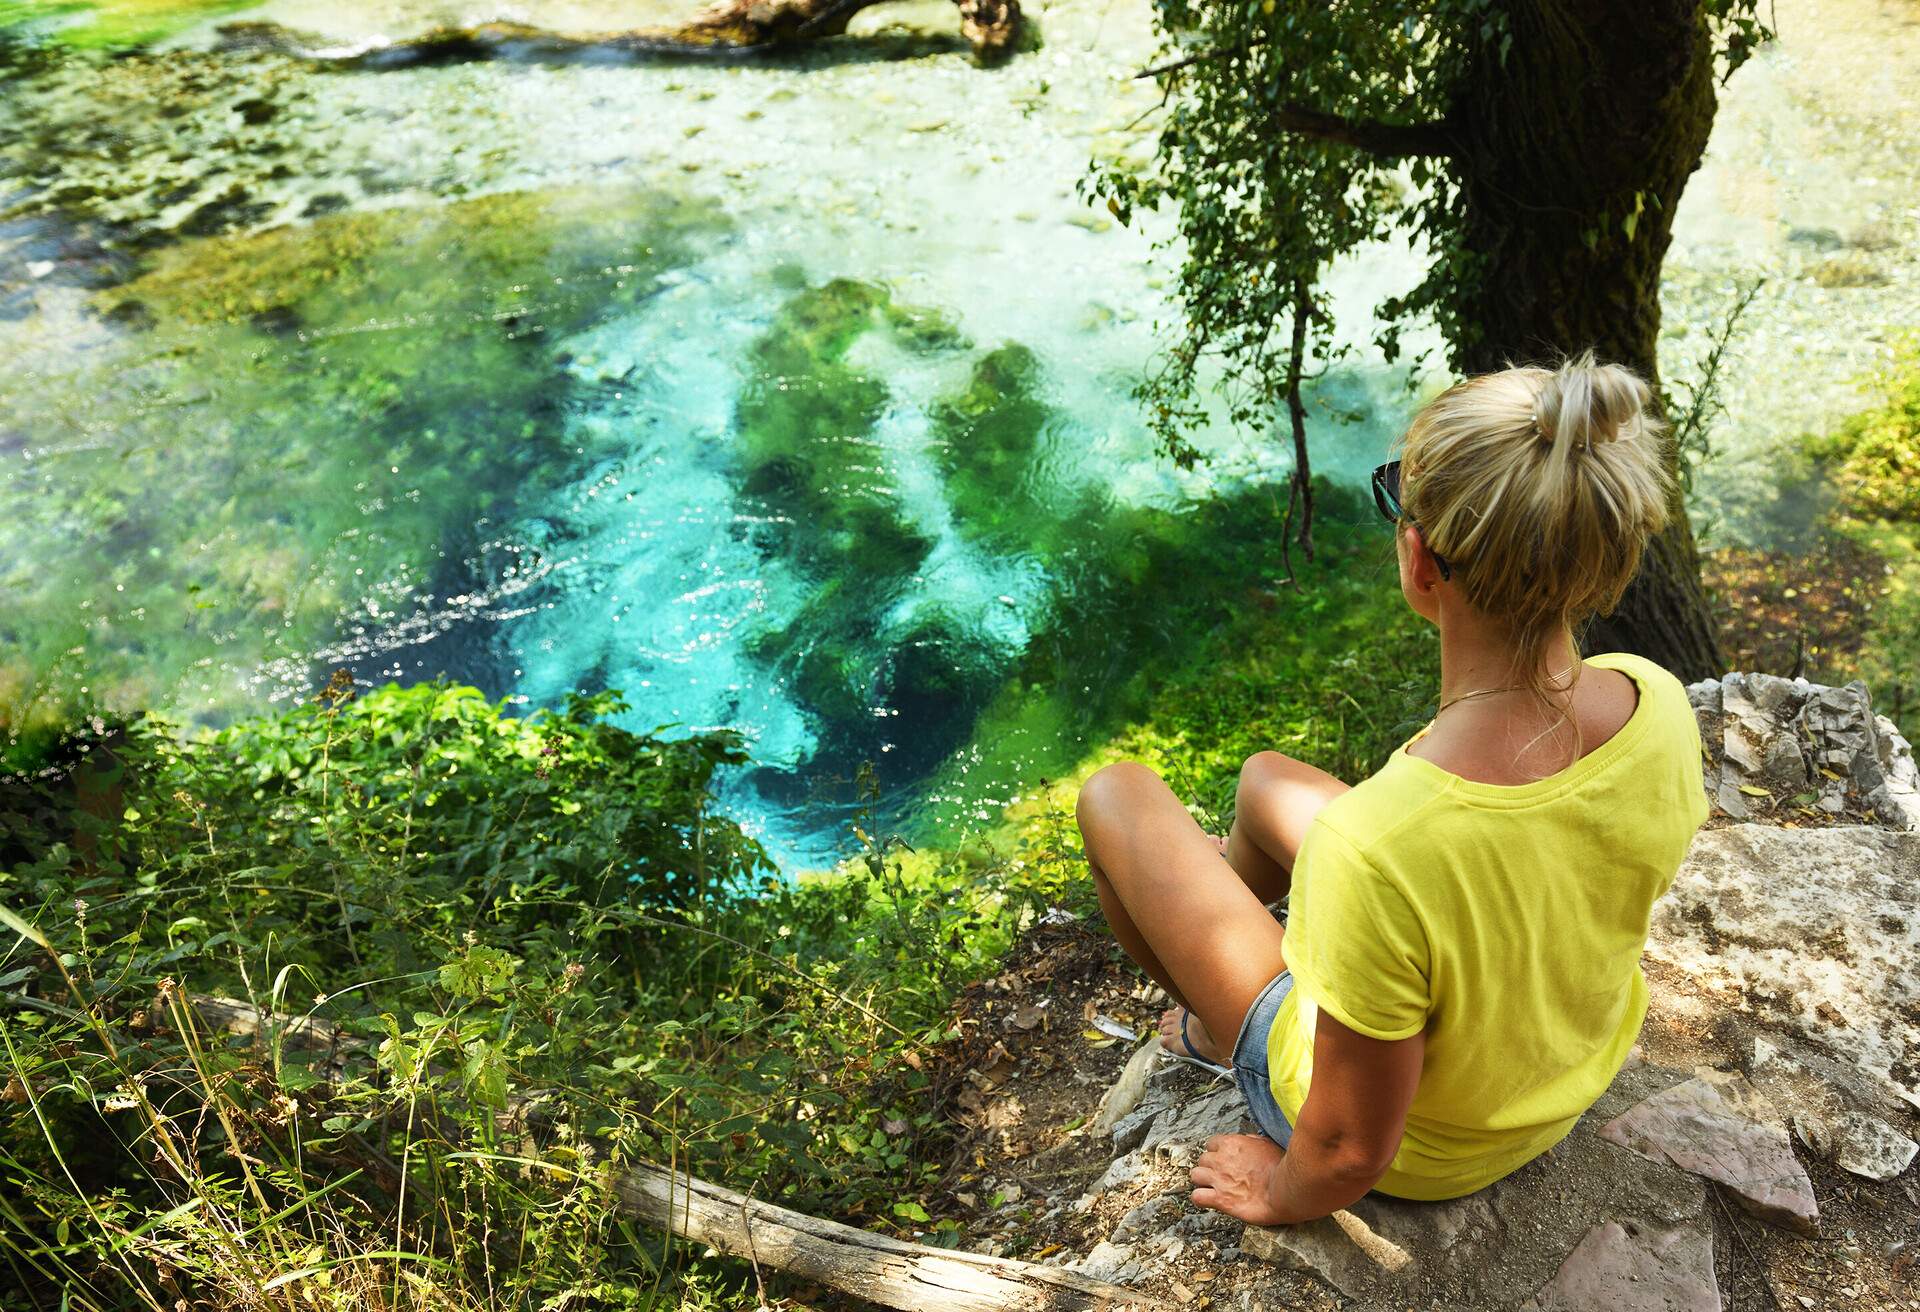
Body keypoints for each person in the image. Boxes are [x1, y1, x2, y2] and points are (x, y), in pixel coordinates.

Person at [1074, 355, 1710, 1224]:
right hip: (1563, 1077)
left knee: (1115, 795)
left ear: (1419, 560)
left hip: (1425, 1152)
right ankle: (1252, 986)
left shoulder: (1375, 848)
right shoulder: (1656, 702)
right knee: (1264, 779)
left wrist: (1281, 1189)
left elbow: (1346, 1150)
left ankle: (1232, 1034)